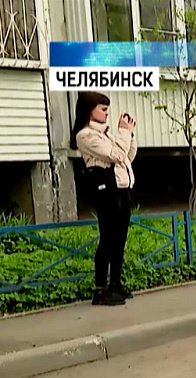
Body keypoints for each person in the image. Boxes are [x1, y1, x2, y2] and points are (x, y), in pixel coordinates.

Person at [71, 91, 138, 307]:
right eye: (103, 109)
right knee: (107, 238)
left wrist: (129, 135)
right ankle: (99, 290)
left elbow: (126, 157)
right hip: (106, 191)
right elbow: (116, 155)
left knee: (120, 239)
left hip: (121, 188)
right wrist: (123, 133)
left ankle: (115, 284)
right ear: (89, 110)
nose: (107, 113)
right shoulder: (85, 136)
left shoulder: (105, 134)